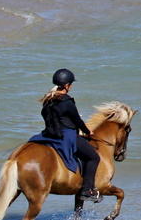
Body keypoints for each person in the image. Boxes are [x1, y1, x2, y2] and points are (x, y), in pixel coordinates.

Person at [39, 68, 100, 200]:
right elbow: (77, 120)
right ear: (67, 86)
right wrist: (87, 132)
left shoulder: (47, 100)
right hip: (65, 136)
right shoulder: (67, 102)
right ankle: (87, 190)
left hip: (48, 135)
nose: (71, 86)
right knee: (93, 157)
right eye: (71, 84)